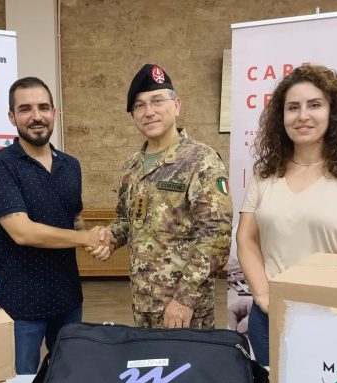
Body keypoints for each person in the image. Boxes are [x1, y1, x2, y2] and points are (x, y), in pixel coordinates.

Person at [236, 64, 337, 366]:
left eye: (314, 105)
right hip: (269, 315)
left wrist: (309, 296)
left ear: (333, 113)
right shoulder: (265, 175)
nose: (303, 115)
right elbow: (246, 239)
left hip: (329, 314)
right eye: (293, 108)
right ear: (281, 117)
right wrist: (263, 296)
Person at [0, 77, 112, 375]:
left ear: (54, 112)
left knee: (67, 376)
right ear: (12, 117)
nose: (36, 116)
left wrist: (95, 240)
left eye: (43, 107)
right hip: (20, 303)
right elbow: (22, 232)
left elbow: (74, 219)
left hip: (68, 298)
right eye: (25, 109)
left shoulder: (71, 165)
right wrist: (85, 239)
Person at [94, 64, 233, 329]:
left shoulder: (200, 160)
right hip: (143, 303)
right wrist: (110, 237)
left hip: (185, 312)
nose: (149, 112)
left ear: (176, 105)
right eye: (139, 105)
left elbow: (216, 235)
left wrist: (185, 299)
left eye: (157, 101)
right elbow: (126, 220)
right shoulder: (132, 166)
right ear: (133, 115)